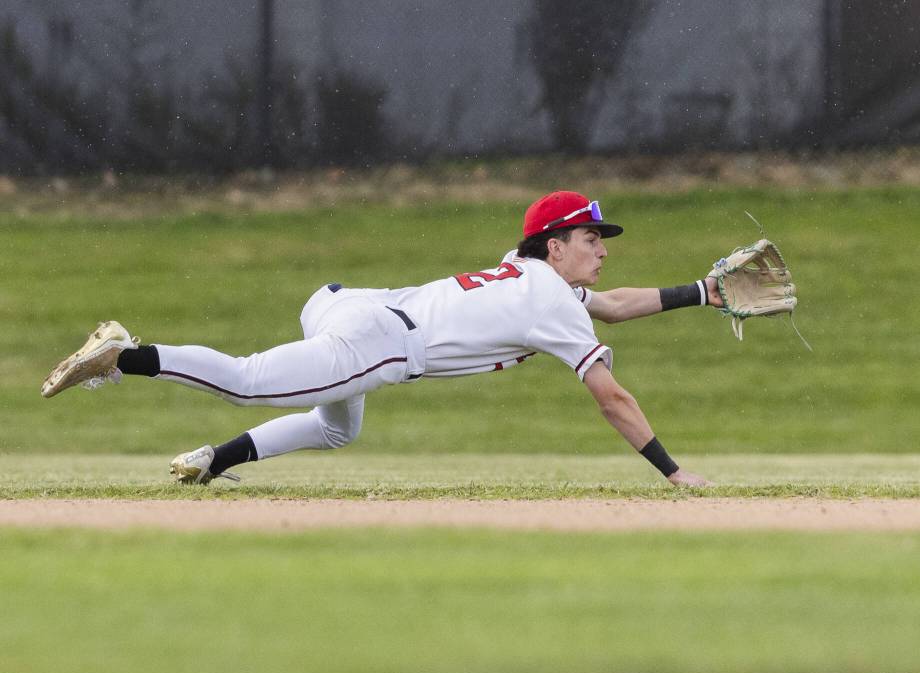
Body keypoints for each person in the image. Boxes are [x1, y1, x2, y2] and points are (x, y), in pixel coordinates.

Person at [42, 191, 724, 486]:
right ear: (554, 244)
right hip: (379, 343)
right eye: (589, 238)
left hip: (353, 306)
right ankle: (122, 354)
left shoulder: (530, 278)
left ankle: (210, 463)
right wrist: (673, 470)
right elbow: (612, 396)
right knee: (248, 381)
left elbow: (609, 304)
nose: (600, 250)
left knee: (338, 429)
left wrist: (701, 291)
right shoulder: (549, 294)